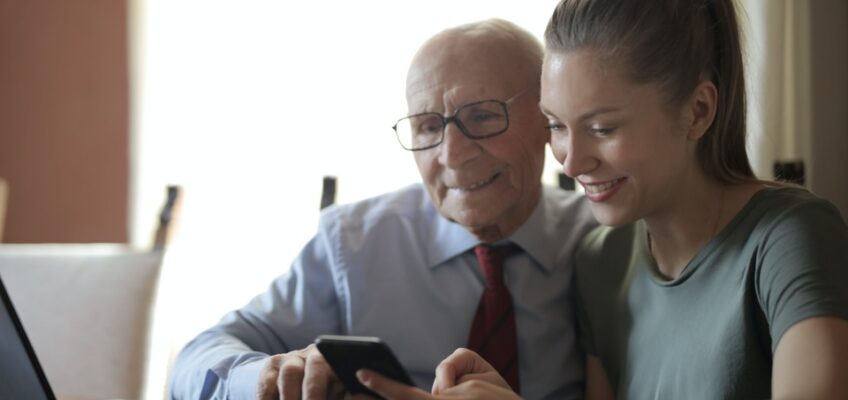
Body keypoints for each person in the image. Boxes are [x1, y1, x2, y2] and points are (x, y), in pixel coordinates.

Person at [356, 0, 848, 399]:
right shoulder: (601, 260)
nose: (570, 163)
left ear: (698, 111)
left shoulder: (790, 237)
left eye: (601, 128)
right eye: (556, 126)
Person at [168, 18, 598, 400]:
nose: (452, 154)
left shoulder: (604, 243)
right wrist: (268, 374)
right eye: (428, 126)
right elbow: (193, 363)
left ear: (549, 118)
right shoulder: (353, 244)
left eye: (483, 117)